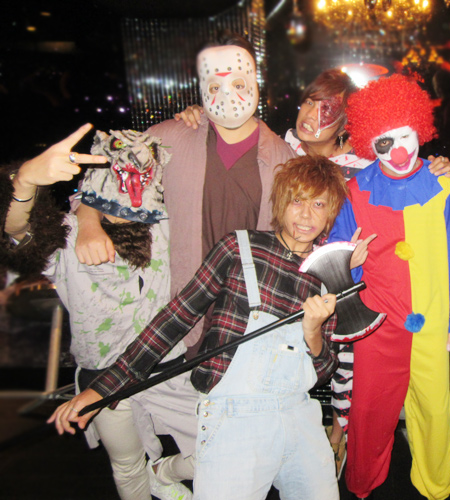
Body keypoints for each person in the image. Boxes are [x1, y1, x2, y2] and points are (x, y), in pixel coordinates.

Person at [174, 67, 450, 479]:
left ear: (345, 124)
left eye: (328, 109)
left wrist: (434, 168)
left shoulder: (363, 164)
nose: (312, 114)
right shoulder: (277, 146)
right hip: (274, 275)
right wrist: (201, 116)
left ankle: (338, 439)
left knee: (345, 372)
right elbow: (232, 130)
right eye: (309, 101)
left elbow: (398, 174)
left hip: (339, 280)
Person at [51, 154, 360, 500]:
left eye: (319, 204)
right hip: (233, 417)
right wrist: (104, 388)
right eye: (297, 201)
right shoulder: (240, 248)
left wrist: (312, 332)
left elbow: (323, 370)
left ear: (331, 212)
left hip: (300, 416)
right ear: (281, 203)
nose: (306, 215)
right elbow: (175, 318)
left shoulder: (327, 275)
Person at [2, 125, 199, 500]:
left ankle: (162, 471)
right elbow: (19, 237)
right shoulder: (67, 233)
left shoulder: (169, 224)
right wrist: (25, 182)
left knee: (219, 445)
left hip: (167, 368)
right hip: (102, 374)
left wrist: (191, 116)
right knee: (126, 464)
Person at [74, 32, 296, 353]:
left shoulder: (283, 159)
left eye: (237, 81)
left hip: (249, 324)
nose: (226, 93)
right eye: (215, 85)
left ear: (255, 80)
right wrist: (88, 223)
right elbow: (102, 182)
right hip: (179, 322)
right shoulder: (170, 139)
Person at [327, 74, 450, 500]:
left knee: (434, 409)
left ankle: (437, 485)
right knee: (370, 412)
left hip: (432, 324)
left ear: (420, 129)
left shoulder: (444, 188)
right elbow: (336, 261)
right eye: (384, 141)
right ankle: (362, 484)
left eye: (406, 135)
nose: (399, 151)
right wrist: (349, 263)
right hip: (377, 325)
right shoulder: (354, 192)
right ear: (368, 143)